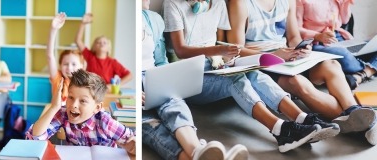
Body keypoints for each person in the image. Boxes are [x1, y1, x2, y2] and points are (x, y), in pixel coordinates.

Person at [162, 0, 338, 153]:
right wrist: (218, 50)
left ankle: (302, 118)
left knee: (252, 72)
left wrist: (229, 55)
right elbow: (181, 50)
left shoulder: (217, 3)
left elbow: (221, 42)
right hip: (188, 76)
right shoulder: (172, 4)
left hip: (214, 65)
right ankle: (280, 130)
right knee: (235, 80)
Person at [226, 0, 377, 145]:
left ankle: (353, 110)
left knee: (331, 64)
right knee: (297, 82)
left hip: (287, 56)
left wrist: (302, 48)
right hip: (264, 63)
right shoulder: (240, 3)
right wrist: (275, 55)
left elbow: (293, 37)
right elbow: (235, 50)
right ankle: (365, 126)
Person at [142, 0, 248, 159]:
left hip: (154, 79)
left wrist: (166, 78)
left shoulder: (153, 20)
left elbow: (160, 60)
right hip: (137, 91)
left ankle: (198, 150)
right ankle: (198, 152)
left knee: (175, 104)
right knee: (154, 128)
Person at [25, 69, 135, 155]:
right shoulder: (64, 114)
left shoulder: (105, 121)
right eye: (71, 97)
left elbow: (133, 145)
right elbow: (35, 138)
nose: (74, 105)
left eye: (83, 101)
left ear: (97, 108)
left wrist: (132, 145)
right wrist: (54, 107)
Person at [296, 0, 377, 89]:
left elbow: (345, 20)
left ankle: (358, 77)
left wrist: (345, 3)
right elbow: (295, 29)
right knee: (343, 54)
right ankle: (369, 69)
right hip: (317, 42)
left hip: (340, 37)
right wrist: (317, 36)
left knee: (371, 45)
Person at [75, 13, 132, 89]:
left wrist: (114, 86)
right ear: (94, 47)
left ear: (108, 48)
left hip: (105, 92)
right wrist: (83, 23)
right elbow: (78, 41)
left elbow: (129, 75)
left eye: (104, 42)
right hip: (90, 90)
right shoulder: (90, 56)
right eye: (98, 42)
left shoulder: (112, 62)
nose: (101, 44)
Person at [46, 13, 85, 107]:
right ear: (60, 65)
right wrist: (53, 29)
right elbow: (50, 55)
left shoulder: (84, 82)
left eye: (74, 64)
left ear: (82, 66)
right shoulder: (57, 78)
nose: (69, 68)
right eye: (65, 64)